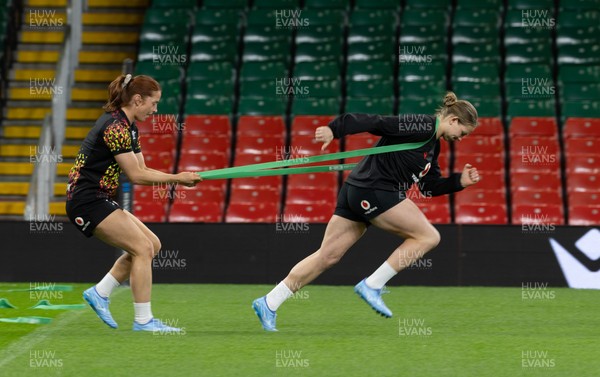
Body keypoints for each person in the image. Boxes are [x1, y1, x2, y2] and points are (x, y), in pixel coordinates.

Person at [252, 92, 481, 331]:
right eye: (463, 133)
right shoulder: (421, 125)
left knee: (327, 256)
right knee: (428, 237)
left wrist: (459, 182)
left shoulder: (432, 146)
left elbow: (428, 186)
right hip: (374, 190)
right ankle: (372, 285)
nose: (461, 138)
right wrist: (334, 129)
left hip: (357, 190)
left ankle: (269, 302)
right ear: (453, 120)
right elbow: (375, 122)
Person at [66, 74, 202, 332]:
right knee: (141, 248)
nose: (156, 109)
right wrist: (178, 179)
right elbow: (137, 176)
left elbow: (143, 167)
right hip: (86, 201)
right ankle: (143, 321)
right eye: (154, 103)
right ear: (138, 99)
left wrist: (179, 178)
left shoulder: (129, 127)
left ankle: (100, 292)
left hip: (99, 198)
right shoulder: (115, 127)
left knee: (153, 245)